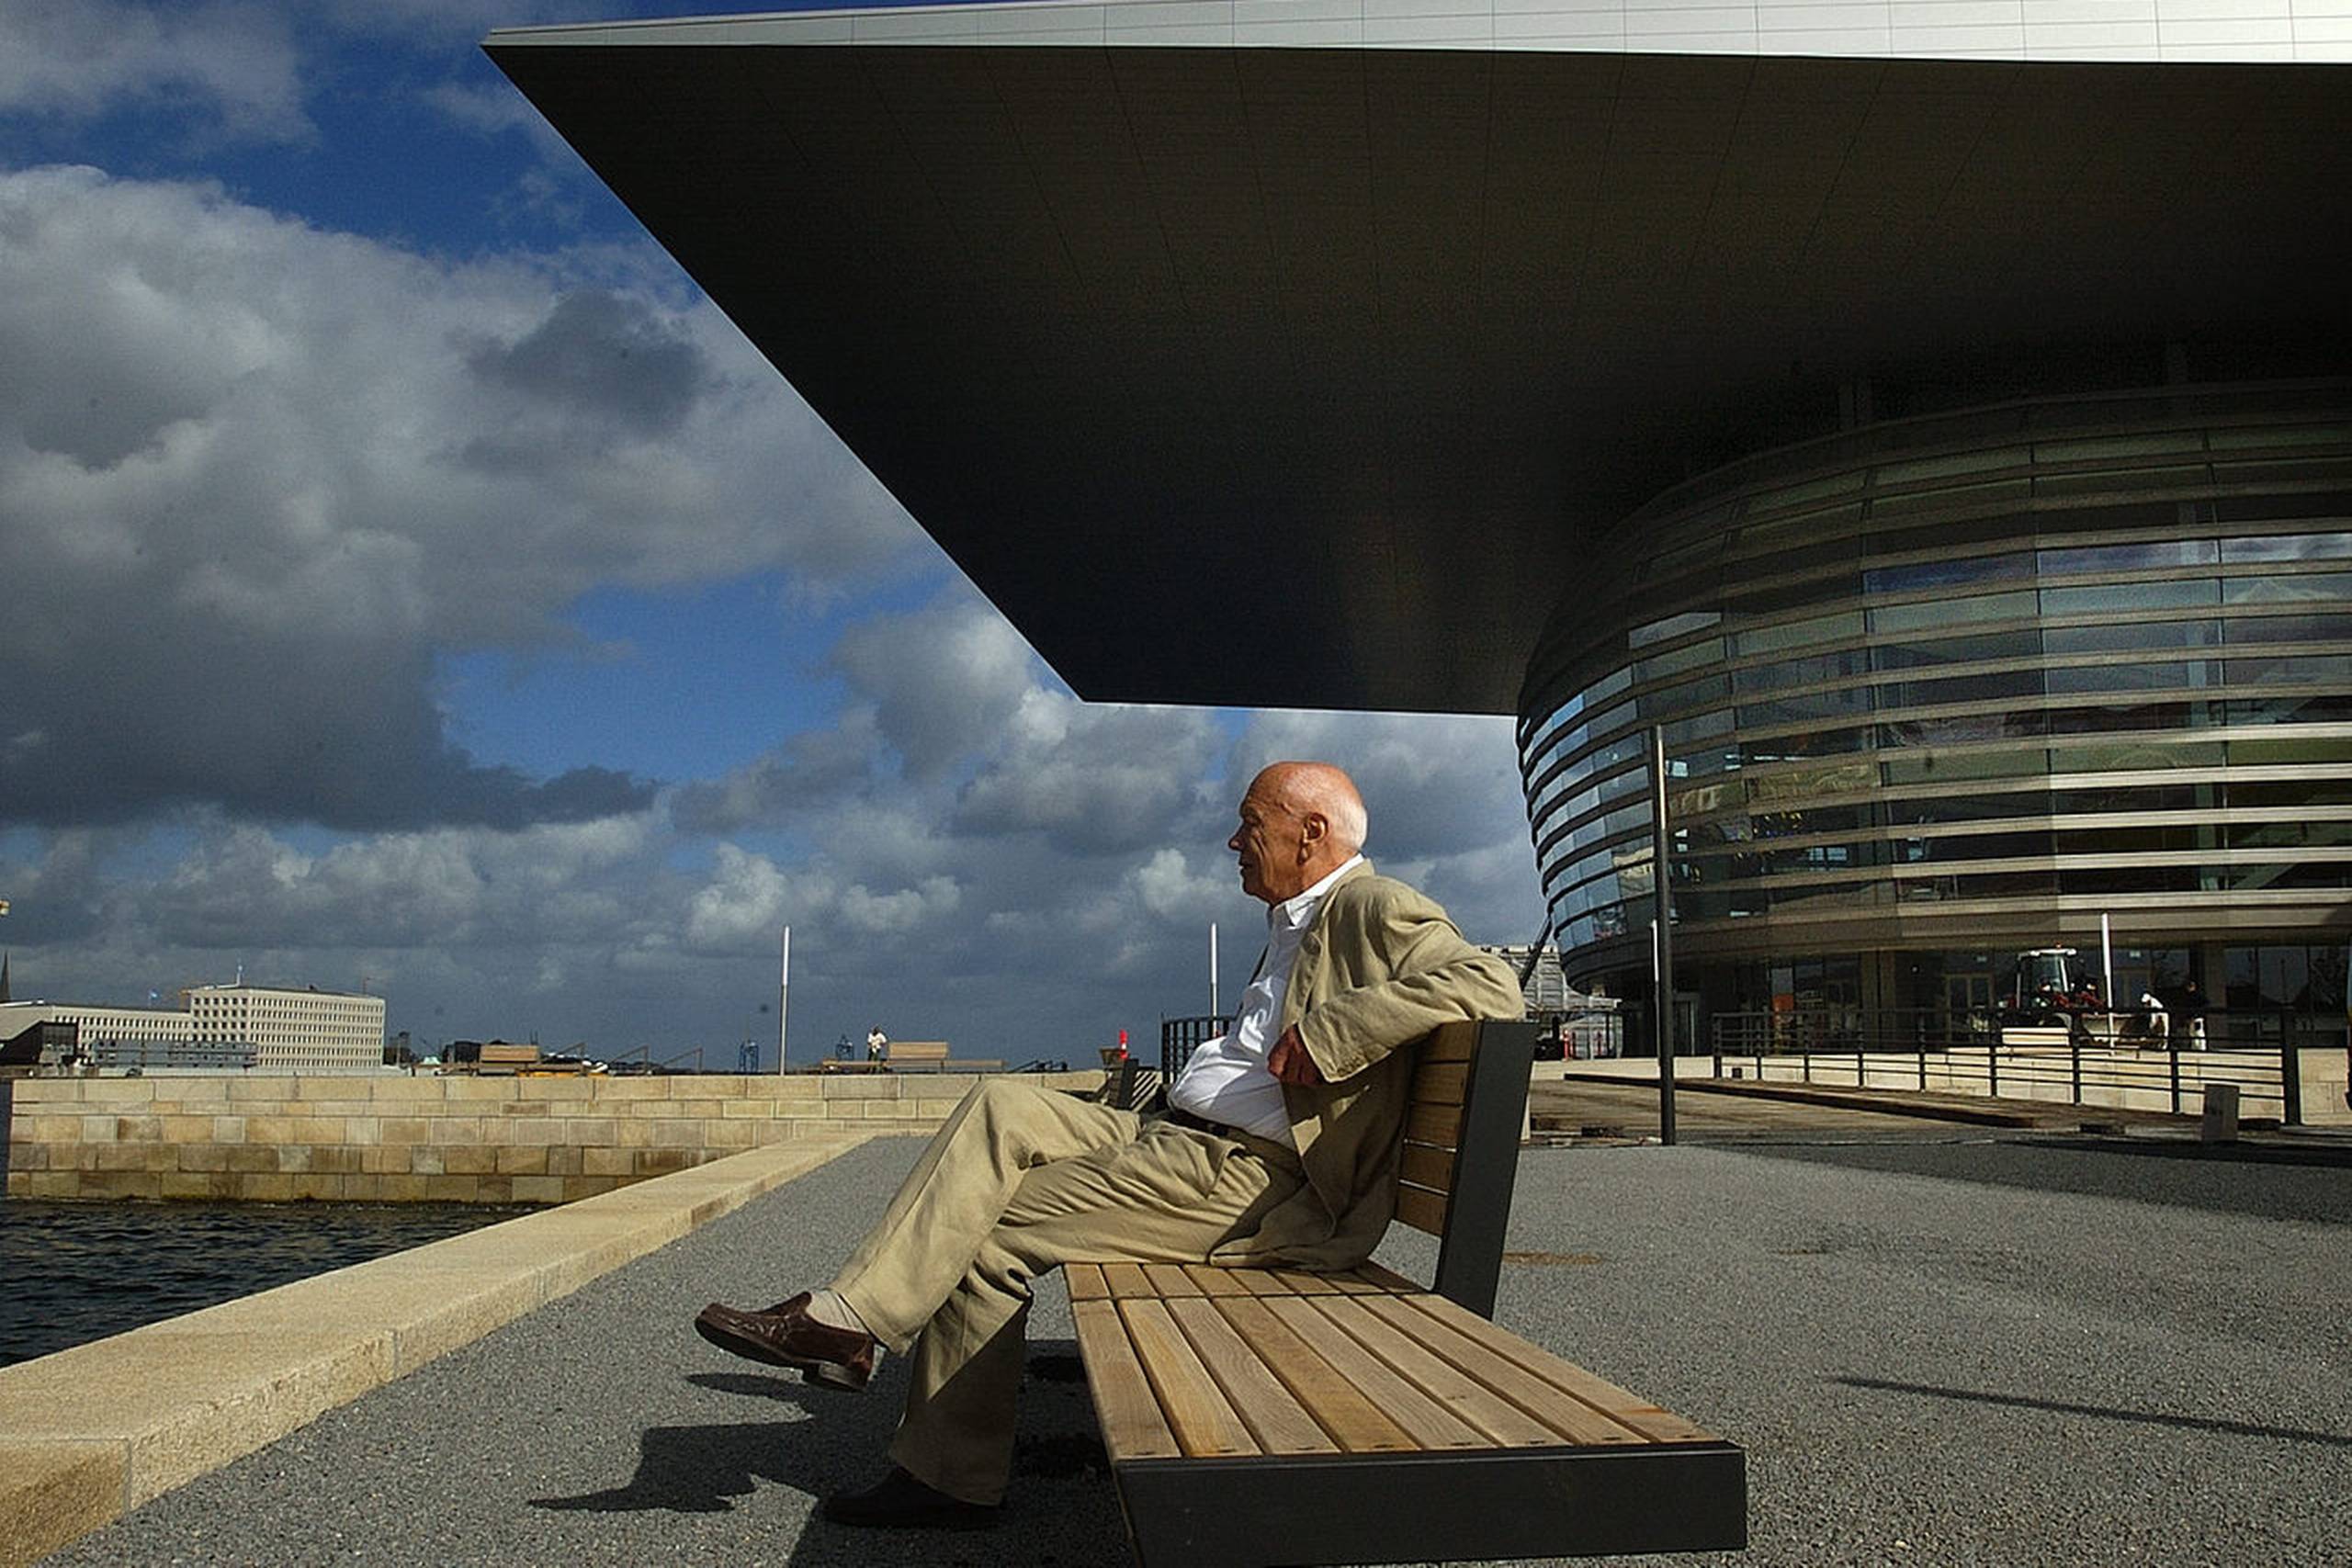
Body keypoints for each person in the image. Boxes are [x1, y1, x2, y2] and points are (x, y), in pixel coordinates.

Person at [693, 761, 1524, 1529]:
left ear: (1313, 833)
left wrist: (1336, 1031)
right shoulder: (1292, 921)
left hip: (1249, 1178)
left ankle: (943, 1468)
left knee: (990, 1230)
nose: (1234, 841)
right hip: (1174, 1132)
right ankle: (849, 1320)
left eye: (1250, 823)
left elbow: (1492, 984)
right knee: (1001, 1105)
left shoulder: (1370, 905)